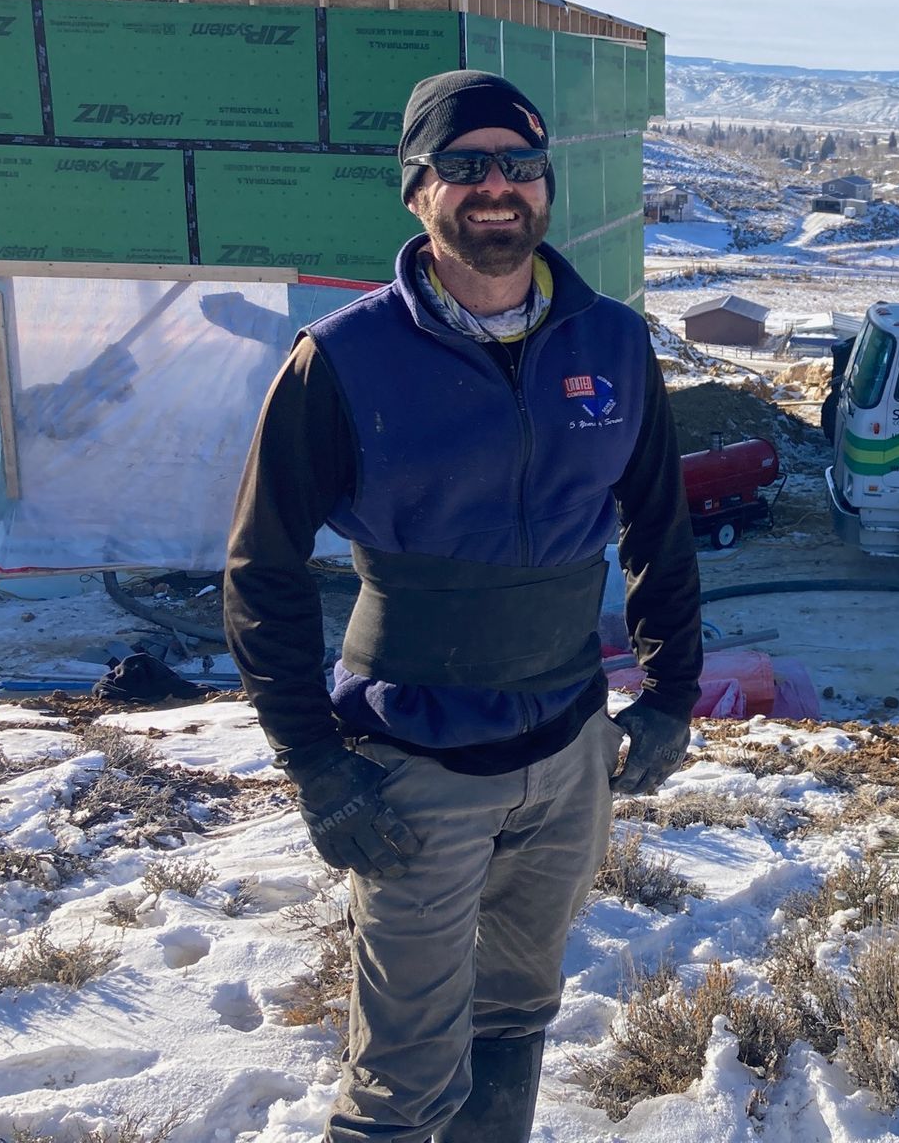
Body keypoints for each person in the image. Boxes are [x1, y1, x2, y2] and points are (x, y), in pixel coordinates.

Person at [223, 69, 702, 1142]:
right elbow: (260, 571)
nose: (499, 187)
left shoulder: (615, 345)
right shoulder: (341, 361)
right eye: (466, 164)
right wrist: (315, 763)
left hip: (571, 751)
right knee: (400, 1080)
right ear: (417, 188)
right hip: (410, 769)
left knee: (517, 1014)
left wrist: (670, 693)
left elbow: (662, 531)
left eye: (521, 165)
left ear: (546, 186)